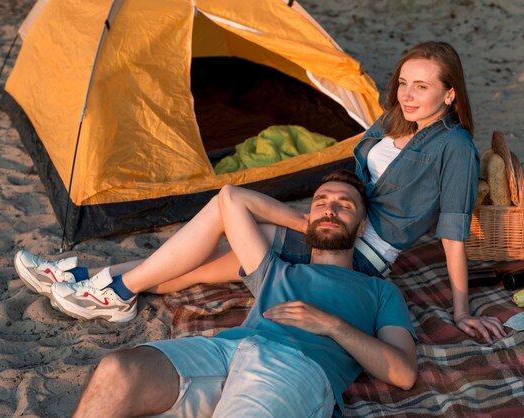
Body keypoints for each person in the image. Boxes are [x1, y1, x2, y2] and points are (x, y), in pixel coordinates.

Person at [14, 41, 505, 342]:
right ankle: (93, 282)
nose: (408, 94)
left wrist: (461, 311)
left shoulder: (455, 148)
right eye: (404, 82)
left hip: (354, 254)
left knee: (227, 212)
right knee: (192, 266)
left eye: (422, 87)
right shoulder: (394, 119)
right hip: (331, 225)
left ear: (450, 93)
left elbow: (453, 232)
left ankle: (107, 287)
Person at [67, 171, 418, 417]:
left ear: (360, 227)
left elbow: (402, 372)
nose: (330, 209)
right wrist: (305, 223)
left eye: (344, 206)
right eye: (321, 202)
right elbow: (231, 198)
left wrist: (332, 325)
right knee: (117, 370)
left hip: (296, 368)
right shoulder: (277, 269)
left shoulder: (380, 291)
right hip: (227, 349)